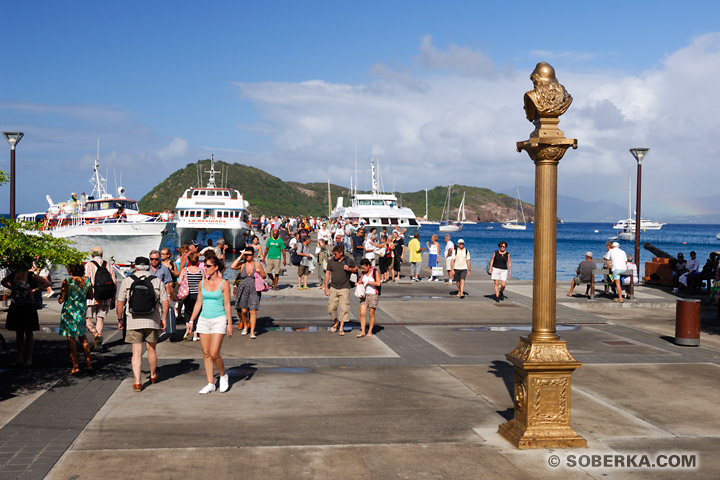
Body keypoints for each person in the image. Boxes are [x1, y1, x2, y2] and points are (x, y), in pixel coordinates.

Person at [116, 256, 169, 392]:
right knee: (151, 349)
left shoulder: (127, 281)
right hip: (152, 320)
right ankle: (152, 375)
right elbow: (165, 302)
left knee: (136, 353)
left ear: (135, 267)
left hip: (134, 321)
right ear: (149, 266)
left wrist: (120, 319)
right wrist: (164, 318)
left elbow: (120, 302)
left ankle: (138, 382)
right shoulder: (156, 281)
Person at [187, 256, 233, 394]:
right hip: (203, 320)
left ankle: (223, 375)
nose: (205, 268)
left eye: (208, 266)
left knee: (214, 353)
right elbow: (198, 303)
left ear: (216, 267)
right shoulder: (202, 283)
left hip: (219, 319)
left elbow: (227, 305)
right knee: (206, 354)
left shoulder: (224, 284)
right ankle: (210, 383)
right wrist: (191, 321)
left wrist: (230, 323)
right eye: (204, 266)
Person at [1, 267, 51, 366]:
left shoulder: (30, 275)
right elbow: (3, 282)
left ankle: (29, 358)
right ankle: (19, 357)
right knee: (19, 333)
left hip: (29, 306)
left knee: (29, 332)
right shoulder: (13, 274)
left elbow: (47, 283)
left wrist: (35, 290)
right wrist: (11, 288)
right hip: (16, 305)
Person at [58, 263, 93, 375]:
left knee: (71, 339)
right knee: (83, 337)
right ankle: (88, 364)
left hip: (70, 312)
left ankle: (75, 366)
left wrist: (61, 298)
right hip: (81, 311)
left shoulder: (68, 281)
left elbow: (62, 299)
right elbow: (91, 296)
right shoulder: (87, 280)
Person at [85, 247, 117, 352]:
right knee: (100, 319)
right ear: (102, 254)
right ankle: (97, 340)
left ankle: (96, 336)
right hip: (105, 296)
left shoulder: (88, 265)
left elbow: (86, 282)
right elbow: (114, 283)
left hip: (91, 297)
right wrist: (113, 298)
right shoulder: (108, 265)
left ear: (92, 255)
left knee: (87, 320)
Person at [231, 247, 267, 338]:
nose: (247, 256)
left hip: (254, 289)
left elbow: (264, 276)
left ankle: (252, 332)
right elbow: (232, 266)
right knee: (243, 310)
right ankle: (245, 326)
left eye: (249, 255)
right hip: (243, 289)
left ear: (253, 255)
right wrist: (241, 255)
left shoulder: (257, 264)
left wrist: (259, 274)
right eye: (246, 255)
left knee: (253, 310)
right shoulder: (242, 264)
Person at [324, 245, 357, 336]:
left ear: (341, 253)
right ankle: (335, 322)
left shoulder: (348, 260)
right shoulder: (331, 261)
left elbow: (356, 269)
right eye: (333, 254)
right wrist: (326, 287)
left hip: (345, 287)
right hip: (333, 287)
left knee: (344, 308)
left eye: (335, 254)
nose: (333, 256)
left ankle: (341, 327)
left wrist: (349, 269)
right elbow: (327, 274)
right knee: (331, 308)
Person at [181, 252, 205, 341]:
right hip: (198, 294)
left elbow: (179, 281)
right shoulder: (200, 271)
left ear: (189, 260)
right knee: (197, 313)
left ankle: (188, 328)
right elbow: (203, 283)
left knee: (187, 312)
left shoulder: (185, 270)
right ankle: (195, 334)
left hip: (187, 294)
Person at [357, 258, 381, 338]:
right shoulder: (363, 273)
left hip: (373, 295)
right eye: (362, 268)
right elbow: (360, 281)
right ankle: (363, 331)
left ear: (368, 266)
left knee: (371, 313)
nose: (363, 269)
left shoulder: (375, 272)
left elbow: (378, 283)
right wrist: (357, 283)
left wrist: (369, 282)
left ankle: (370, 331)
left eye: (364, 268)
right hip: (364, 294)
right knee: (362, 313)